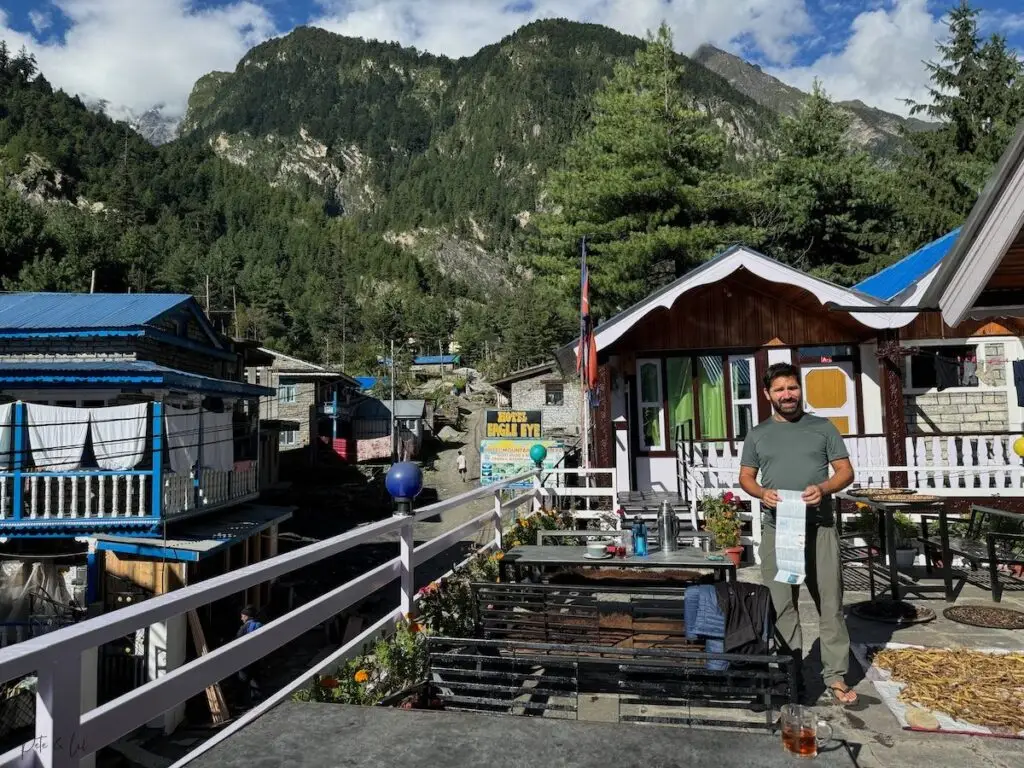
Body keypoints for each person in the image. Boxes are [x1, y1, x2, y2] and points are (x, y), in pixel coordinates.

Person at [738, 363, 858, 706]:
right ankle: (788, 675)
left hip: (819, 528)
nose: (787, 395)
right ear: (767, 395)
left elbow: (846, 472)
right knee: (781, 604)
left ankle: (835, 675)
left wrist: (824, 488)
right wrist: (761, 493)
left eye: (792, 388)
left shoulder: (822, 428)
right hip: (778, 529)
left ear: (799, 390)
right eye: (779, 390)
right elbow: (746, 477)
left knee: (830, 603)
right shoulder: (758, 434)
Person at [236, 605, 263, 705]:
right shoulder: (259, 624)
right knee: (255, 677)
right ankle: (257, 700)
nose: (241, 618)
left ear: (247, 616)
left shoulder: (244, 627)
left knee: (242, 680)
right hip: (257, 656)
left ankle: (240, 703)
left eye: (242, 616)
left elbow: (238, 642)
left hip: (244, 657)